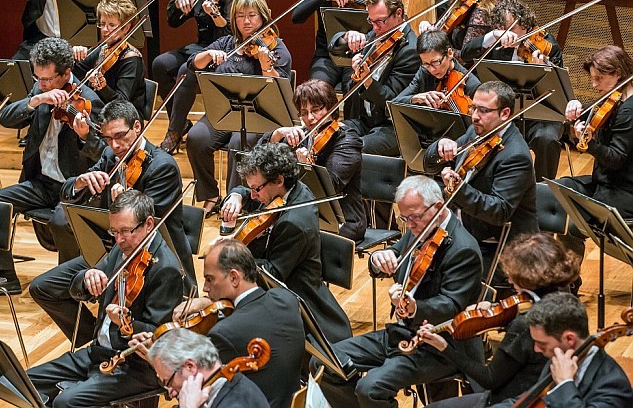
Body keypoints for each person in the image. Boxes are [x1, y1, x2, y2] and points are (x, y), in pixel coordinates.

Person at [31, 99, 195, 347]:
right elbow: (66, 193)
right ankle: (93, 340)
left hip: (152, 260)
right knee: (42, 287)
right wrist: (81, 182)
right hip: (113, 252)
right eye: (108, 139)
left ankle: (107, 344)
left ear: (138, 127)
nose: (115, 145)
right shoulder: (111, 155)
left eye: (120, 136)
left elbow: (148, 225)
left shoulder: (163, 167)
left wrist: (124, 201)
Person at [313, 175, 483, 408]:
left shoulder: (464, 249)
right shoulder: (421, 229)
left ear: (439, 206)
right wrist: (378, 258)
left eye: (414, 217)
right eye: (404, 218)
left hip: (439, 345)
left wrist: (415, 307)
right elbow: (393, 254)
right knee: (324, 362)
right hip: (401, 334)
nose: (410, 225)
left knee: (370, 389)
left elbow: (452, 306)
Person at [26, 190, 183, 408]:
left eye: (125, 231)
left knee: (65, 402)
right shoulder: (123, 248)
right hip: (98, 352)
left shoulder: (165, 269)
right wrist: (86, 277)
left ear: (148, 224)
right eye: (114, 231)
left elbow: (158, 337)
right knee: (24, 382)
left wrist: (126, 324)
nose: (118, 239)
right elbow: (78, 290)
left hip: (133, 366)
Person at [0, 37, 103, 295]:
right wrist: (36, 100)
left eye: (48, 79)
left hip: (74, 187)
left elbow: (102, 153)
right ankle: (6, 277)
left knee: (62, 222)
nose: (41, 84)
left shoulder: (89, 100)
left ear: (66, 73)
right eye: (38, 78)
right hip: (40, 182)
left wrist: (85, 135)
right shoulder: (40, 90)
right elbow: (7, 120)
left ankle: (66, 286)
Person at [418, 233, 581, 407]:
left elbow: (489, 379)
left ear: (529, 276)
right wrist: (498, 308)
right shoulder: (569, 302)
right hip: (550, 393)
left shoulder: (526, 324)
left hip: (513, 401)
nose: (509, 279)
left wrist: (444, 347)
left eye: (514, 274)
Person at [144, 239, 305, 408]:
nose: (205, 288)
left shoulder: (225, 333)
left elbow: (197, 390)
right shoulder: (286, 299)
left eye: (209, 279)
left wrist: (159, 360)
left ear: (234, 278)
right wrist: (208, 302)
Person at [220, 143, 352, 344]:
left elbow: (273, 274)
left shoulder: (295, 222)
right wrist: (237, 196)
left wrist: (235, 252)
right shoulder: (286, 190)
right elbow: (248, 192)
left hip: (295, 302)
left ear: (279, 180)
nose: (253, 195)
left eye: (256, 189)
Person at [183, 0, 292, 216]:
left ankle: (237, 200)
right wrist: (210, 54)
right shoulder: (227, 43)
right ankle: (210, 194)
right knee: (197, 138)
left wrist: (265, 67)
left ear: (263, 16)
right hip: (226, 111)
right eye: (241, 16)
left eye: (252, 15)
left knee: (238, 141)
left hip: (259, 116)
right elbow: (193, 64)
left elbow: (282, 89)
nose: (246, 21)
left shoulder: (276, 48)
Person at [424, 80, 538, 279]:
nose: (474, 116)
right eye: (473, 107)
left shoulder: (515, 155)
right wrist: (440, 146)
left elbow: (498, 211)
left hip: (497, 247)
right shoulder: (476, 131)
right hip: (464, 232)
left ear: (505, 113)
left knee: (437, 275)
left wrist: (458, 189)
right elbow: (429, 164)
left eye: (483, 110)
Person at [154, 0, 247, 154]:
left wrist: (215, 14)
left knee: (188, 69)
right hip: (203, 46)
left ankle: (174, 132)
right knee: (160, 64)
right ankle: (180, 121)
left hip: (226, 49)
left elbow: (233, 32)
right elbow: (174, 21)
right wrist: (179, 3)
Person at [460, 0, 566, 180]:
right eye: (500, 29)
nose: (506, 33)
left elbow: (558, 89)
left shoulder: (548, 46)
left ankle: (542, 188)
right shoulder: (498, 41)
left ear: (524, 25)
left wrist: (542, 70)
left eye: (511, 28)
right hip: (504, 112)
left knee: (546, 139)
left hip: (540, 115)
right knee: (476, 125)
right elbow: (466, 53)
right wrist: (492, 36)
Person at [259, 79, 367, 241]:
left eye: (316, 110)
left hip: (342, 219)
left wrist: (308, 168)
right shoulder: (303, 134)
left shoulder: (348, 141)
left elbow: (332, 186)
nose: (310, 118)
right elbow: (260, 157)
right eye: (303, 112)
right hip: (302, 212)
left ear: (331, 107)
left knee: (289, 237)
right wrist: (278, 133)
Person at [557, 45, 633, 258]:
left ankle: (567, 277)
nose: (594, 84)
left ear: (617, 73)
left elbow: (616, 159)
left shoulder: (628, 110)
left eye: (599, 78)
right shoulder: (615, 98)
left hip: (624, 189)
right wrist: (575, 113)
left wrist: (591, 145)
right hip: (606, 180)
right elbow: (583, 120)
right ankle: (567, 279)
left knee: (571, 221)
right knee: (558, 190)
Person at [495, 293, 633, 408]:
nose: (536, 349)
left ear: (569, 339)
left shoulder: (613, 387)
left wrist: (565, 384)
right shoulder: (559, 358)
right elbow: (527, 400)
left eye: (542, 344)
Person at [328, 0, 420, 156]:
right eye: (372, 21)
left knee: (349, 149)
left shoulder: (410, 50)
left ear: (398, 13)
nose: (375, 28)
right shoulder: (376, 34)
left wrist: (368, 80)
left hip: (390, 128)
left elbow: (393, 101)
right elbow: (333, 48)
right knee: (328, 139)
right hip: (363, 120)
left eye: (380, 21)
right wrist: (347, 36)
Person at [291, 0, 368, 88]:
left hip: (352, 56)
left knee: (353, 86)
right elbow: (296, 17)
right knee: (317, 89)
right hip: (325, 57)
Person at [148, 327, 270, 408]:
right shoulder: (229, 383)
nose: (172, 393)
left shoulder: (235, 404)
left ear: (190, 366)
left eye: (169, 382)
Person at [71, 0, 147, 119]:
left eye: (111, 25)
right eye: (102, 24)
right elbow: (75, 73)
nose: (105, 29)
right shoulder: (103, 47)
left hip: (124, 119)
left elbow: (122, 103)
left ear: (126, 28)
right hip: (100, 110)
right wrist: (74, 55)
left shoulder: (131, 59)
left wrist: (103, 88)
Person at [393, 29, 481, 113]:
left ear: (450, 53)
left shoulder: (471, 84)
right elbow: (393, 104)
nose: (431, 69)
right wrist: (415, 98)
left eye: (435, 62)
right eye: (426, 63)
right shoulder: (424, 72)